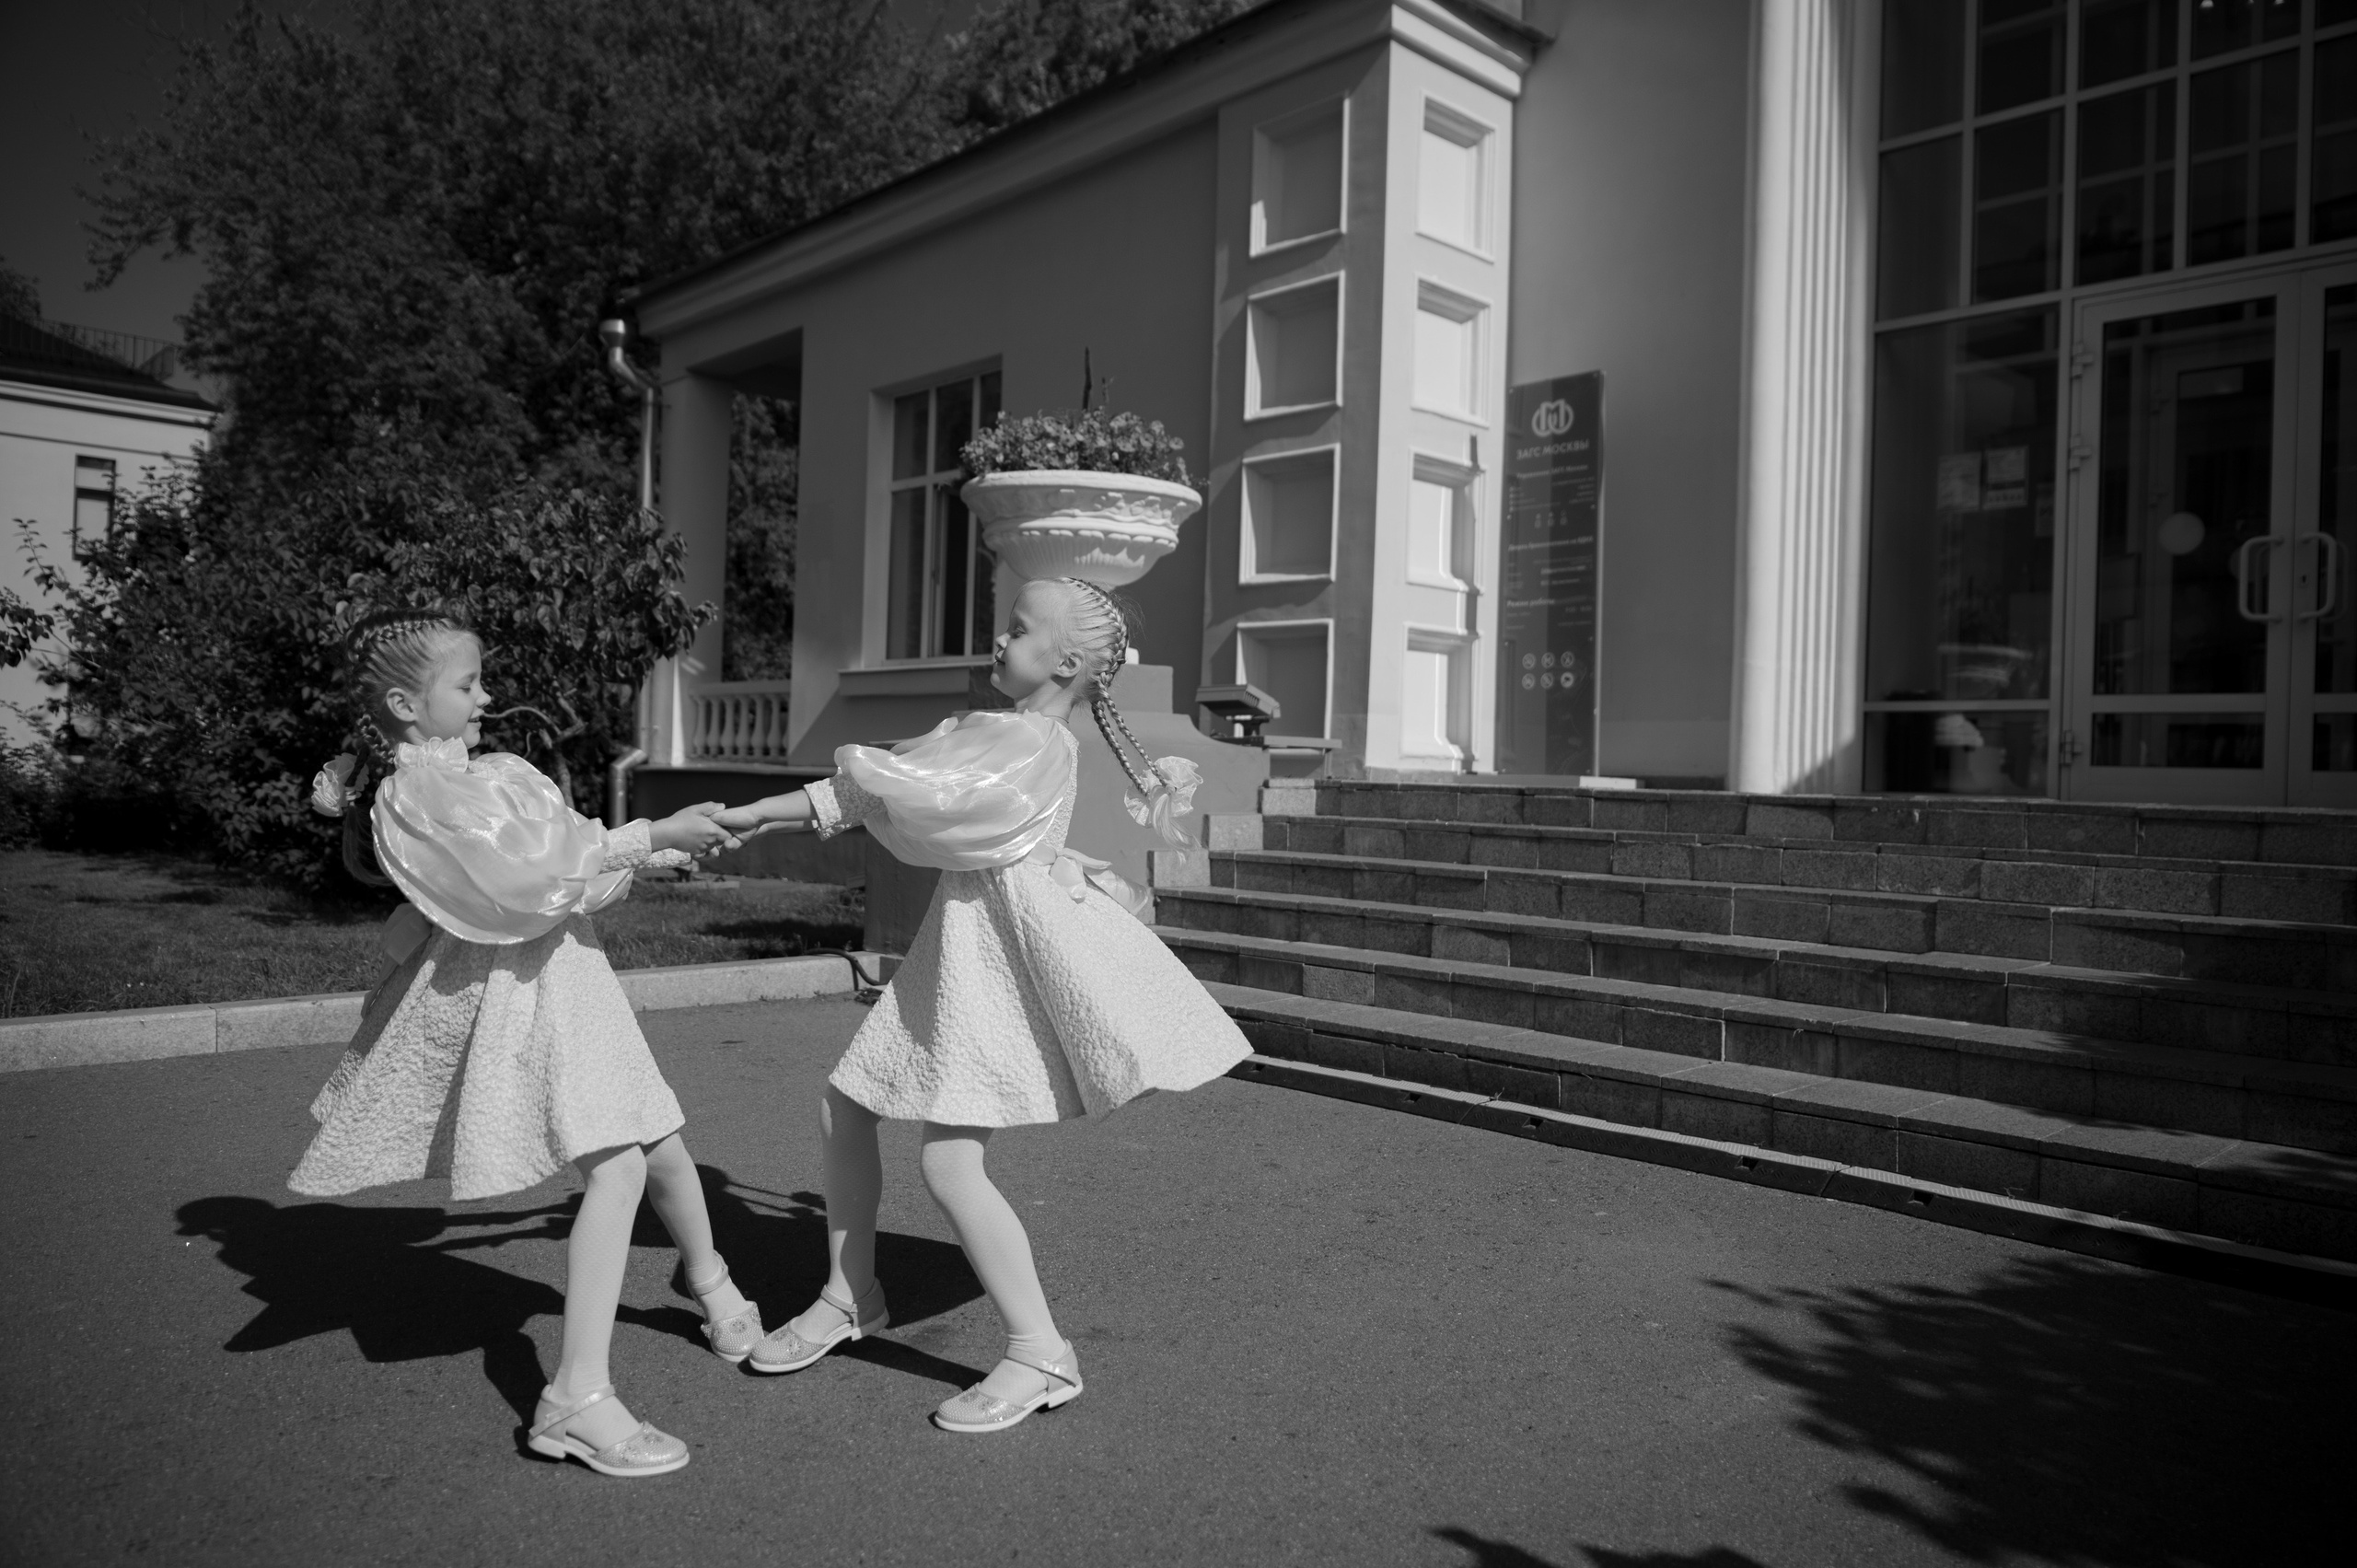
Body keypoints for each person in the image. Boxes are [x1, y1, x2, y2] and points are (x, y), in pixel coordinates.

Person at [710, 575, 1251, 1434]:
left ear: (1065, 660)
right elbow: (880, 788)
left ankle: (1041, 1352)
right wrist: (753, 814)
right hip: (959, 952)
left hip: (998, 964)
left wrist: (768, 812)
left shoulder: (1029, 744)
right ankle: (852, 1296)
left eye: (1016, 629)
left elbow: (909, 794)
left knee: (948, 1161)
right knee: (845, 1107)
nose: (996, 640)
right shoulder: (997, 734)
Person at [292, 606, 761, 1479]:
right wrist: (651, 835)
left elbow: (570, 854)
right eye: (466, 684)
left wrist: (651, 848)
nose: (486, 695)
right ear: (404, 702)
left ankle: (711, 1282)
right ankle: (575, 1399)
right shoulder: (417, 795)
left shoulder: (491, 771)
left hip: (566, 974)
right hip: (517, 987)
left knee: (656, 1136)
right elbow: (527, 882)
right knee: (617, 1163)